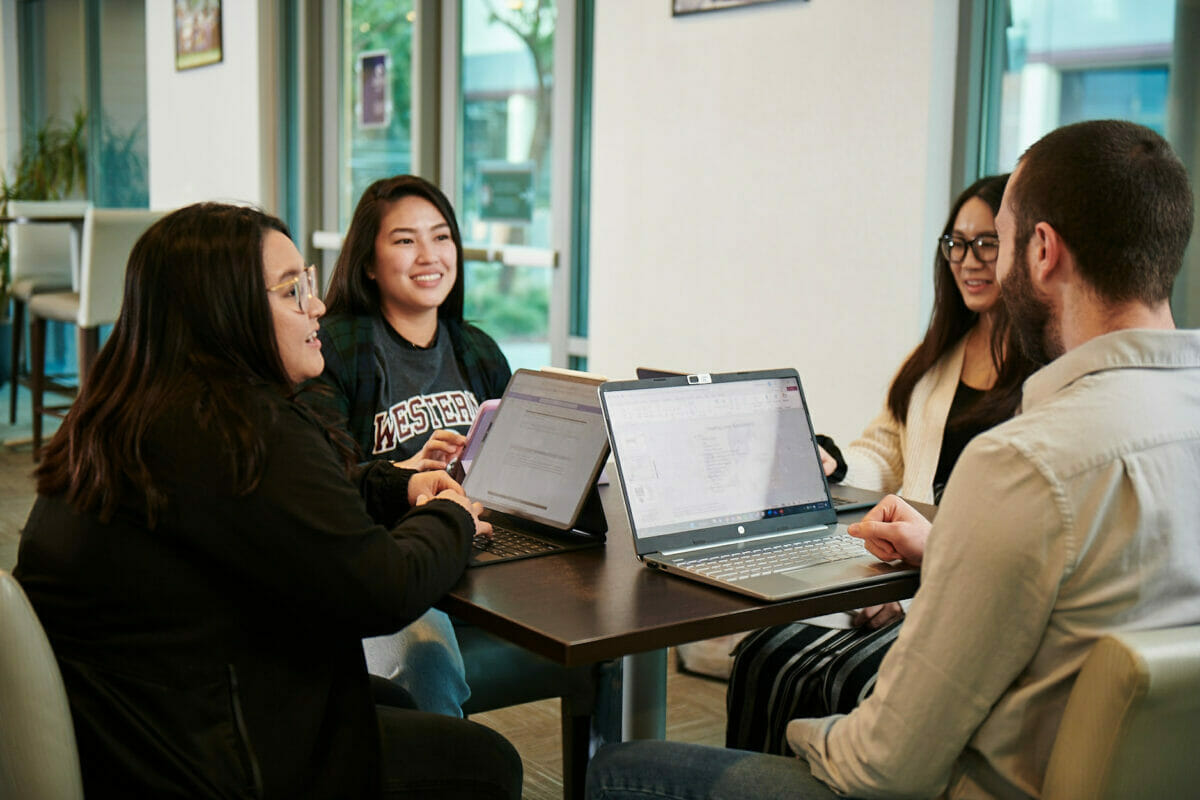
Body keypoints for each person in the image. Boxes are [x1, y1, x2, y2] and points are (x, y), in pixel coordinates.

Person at [586, 119, 1200, 799]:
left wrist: (799, 732)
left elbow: (882, 768)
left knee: (617, 772)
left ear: (1043, 251)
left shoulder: (1026, 464)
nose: (981, 264)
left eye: (999, 240)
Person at [14, 203, 523, 799]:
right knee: (485, 762)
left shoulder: (137, 413)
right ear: (224, 313)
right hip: (209, 760)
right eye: (291, 291)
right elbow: (384, 589)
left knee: (389, 698)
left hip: (136, 732)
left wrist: (401, 485)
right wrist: (451, 516)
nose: (317, 306)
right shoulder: (243, 432)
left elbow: (293, 503)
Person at [723, 175, 1038, 753]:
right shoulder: (939, 356)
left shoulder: (1042, 375)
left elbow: (1006, 545)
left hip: (952, 589)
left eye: (987, 242)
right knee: (763, 651)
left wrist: (911, 595)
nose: (968, 261)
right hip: (897, 570)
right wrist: (833, 466)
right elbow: (886, 452)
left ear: (1023, 249)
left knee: (842, 677)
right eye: (956, 243)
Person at [298, 175, 514, 718]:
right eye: (404, 240)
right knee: (425, 660)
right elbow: (322, 481)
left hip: (479, 546)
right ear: (368, 262)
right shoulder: (333, 349)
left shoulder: (479, 350)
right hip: (391, 564)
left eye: (441, 237)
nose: (429, 256)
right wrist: (402, 472)